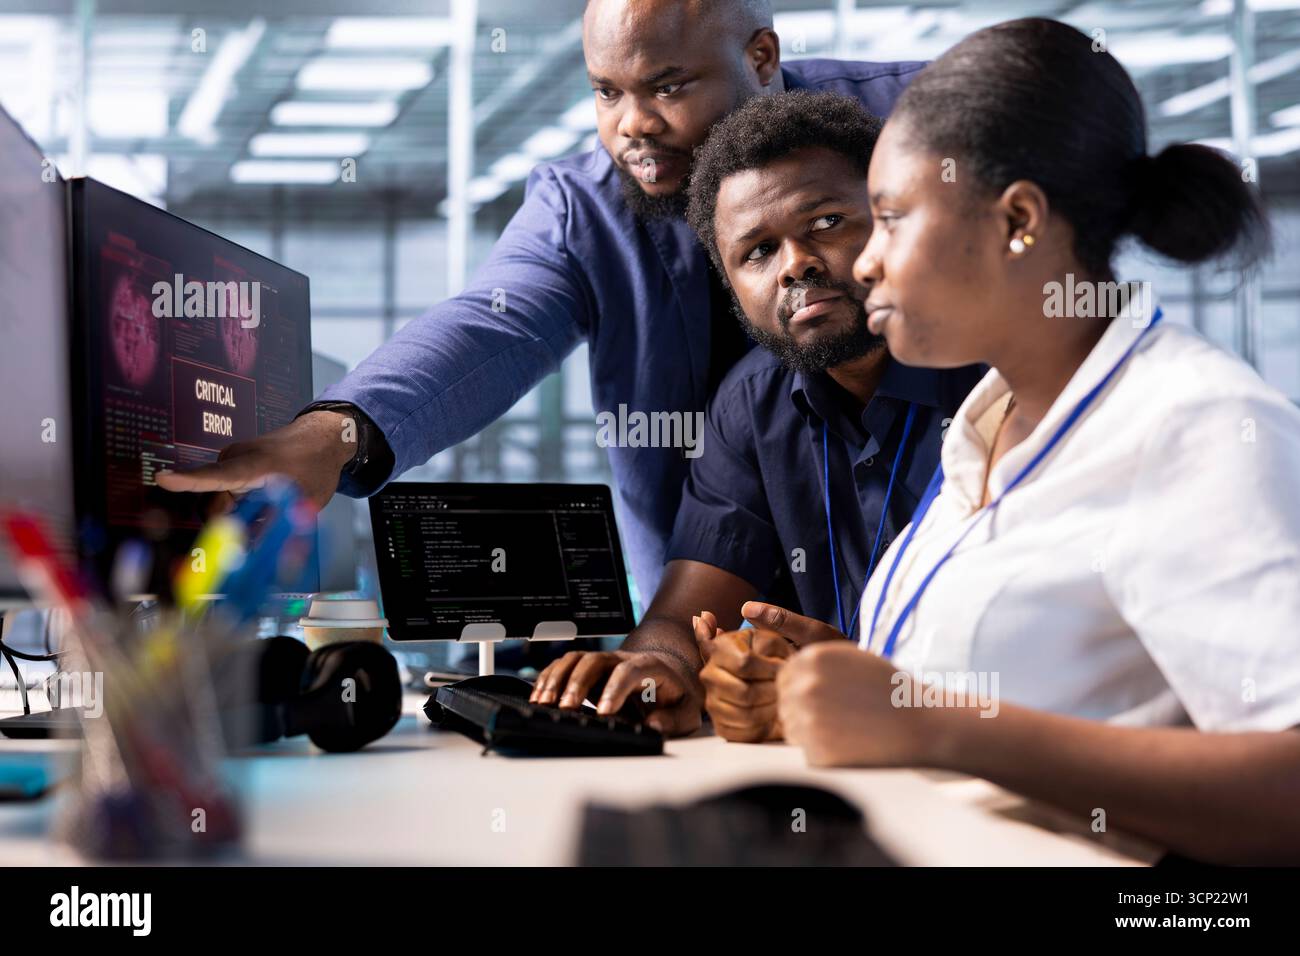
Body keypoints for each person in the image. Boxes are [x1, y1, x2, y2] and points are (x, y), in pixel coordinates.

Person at [742, 17, 1297, 865]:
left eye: (890, 219)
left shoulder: (1196, 424)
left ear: (1019, 221)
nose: (863, 262)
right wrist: (845, 677)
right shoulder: (988, 424)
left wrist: (936, 724)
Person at [154, 0, 926, 609]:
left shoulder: (913, 125)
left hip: (939, 573)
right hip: (710, 616)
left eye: (668, 86)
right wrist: (334, 434)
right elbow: (491, 324)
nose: (633, 126)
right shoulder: (586, 205)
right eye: (606, 91)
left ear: (761, 58)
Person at [528, 92, 981, 738]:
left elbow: (1062, 653)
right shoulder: (750, 404)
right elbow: (682, 614)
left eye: (826, 222)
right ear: (734, 288)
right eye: (758, 252)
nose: (795, 263)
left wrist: (859, 685)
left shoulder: (1000, 376)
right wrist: (664, 671)